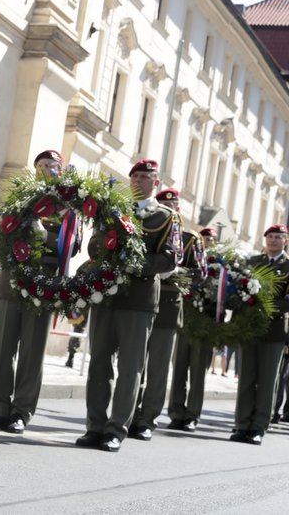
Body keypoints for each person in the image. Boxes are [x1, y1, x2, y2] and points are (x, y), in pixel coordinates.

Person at [76, 159, 178, 453]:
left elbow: (169, 259)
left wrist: (133, 264)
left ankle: (116, 429)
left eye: (147, 177)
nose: (139, 181)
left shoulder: (166, 218)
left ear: (156, 184)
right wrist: (106, 254)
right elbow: (94, 246)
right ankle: (94, 426)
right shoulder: (113, 210)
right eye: (136, 176)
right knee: (98, 364)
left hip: (139, 300)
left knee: (130, 368)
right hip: (108, 296)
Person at [0, 150, 66, 435]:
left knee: (32, 351)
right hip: (13, 280)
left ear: (61, 170)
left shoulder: (66, 207)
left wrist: (44, 236)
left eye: (52, 166)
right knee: (2, 349)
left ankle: (21, 412)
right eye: (41, 166)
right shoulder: (20, 200)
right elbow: (0, 237)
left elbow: (71, 246)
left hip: (43, 282)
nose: (46, 170)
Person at [230, 224, 289, 445]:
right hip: (250, 328)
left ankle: (258, 427)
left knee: (267, 381)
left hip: (274, 330)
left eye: (278, 237)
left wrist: (268, 307)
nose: (273, 241)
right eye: (270, 236)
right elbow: (240, 290)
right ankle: (241, 424)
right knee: (246, 378)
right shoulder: (253, 263)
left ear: (286, 241)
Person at [130, 187, 189, 440]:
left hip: (168, 303)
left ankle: (147, 418)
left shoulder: (188, 238)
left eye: (174, 204)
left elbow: (197, 272)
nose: (170, 208)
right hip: (144, 296)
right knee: (135, 362)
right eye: (166, 204)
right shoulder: (150, 226)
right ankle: (130, 412)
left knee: (157, 367)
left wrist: (175, 273)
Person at [167, 221, 212, 432]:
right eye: (205, 239)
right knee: (179, 368)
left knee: (197, 371)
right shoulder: (186, 254)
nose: (207, 242)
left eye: (210, 240)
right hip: (184, 318)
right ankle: (176, 412)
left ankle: (193, 414)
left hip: (204, 324)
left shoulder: (220, 264)